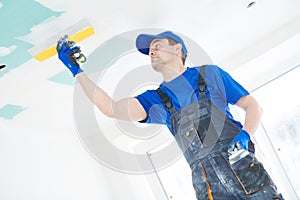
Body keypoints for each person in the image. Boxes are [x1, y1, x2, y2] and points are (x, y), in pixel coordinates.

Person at [57, 31, 284, 200]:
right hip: (208, 186)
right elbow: (110, 108)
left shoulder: (209, 75)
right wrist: (77, 71)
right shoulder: (156, 100)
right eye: (150, 51)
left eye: (157, 45)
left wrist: (245, 134)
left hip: (242, 170)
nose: (151, 51)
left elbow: (252, 105)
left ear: (178, 50)